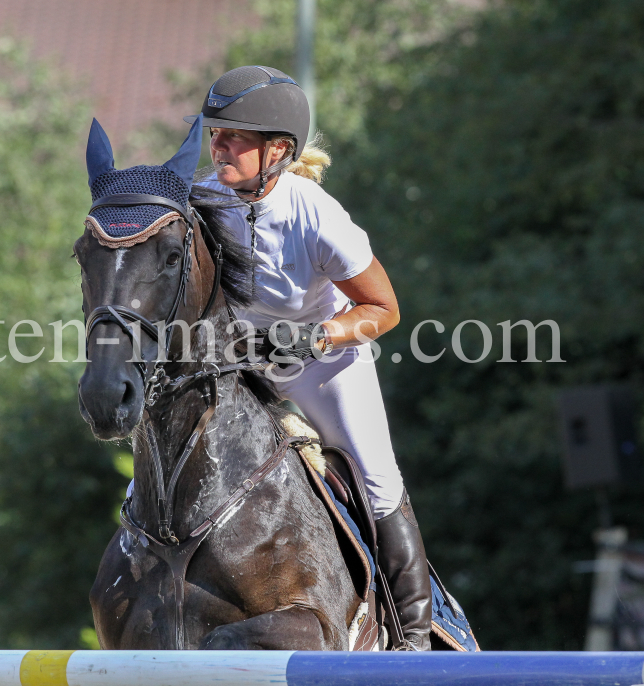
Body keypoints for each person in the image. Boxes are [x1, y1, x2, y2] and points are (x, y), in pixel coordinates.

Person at [185, 65, 433, 650]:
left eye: (233, 137)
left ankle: (417, 638)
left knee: (377, 479)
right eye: (215, 133)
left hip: (320, 364)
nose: (217, 146)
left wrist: (316, 337)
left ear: (277, 151)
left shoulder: (313, 212)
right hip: (235, 363)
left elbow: (383, 308)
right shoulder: (200, 200)